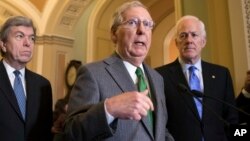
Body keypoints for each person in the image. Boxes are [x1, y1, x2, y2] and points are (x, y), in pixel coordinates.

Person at [64, 1, 174, 141]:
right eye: (133, 22)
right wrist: (109, 109)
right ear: (114, 34)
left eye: (147, 24)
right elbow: (71, 133)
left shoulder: (157, 78)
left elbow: (159, 131)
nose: (141, 30)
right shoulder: (92, 73)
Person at [156, 15, 238, 141]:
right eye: (183, 35)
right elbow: (159, 121)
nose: (189, 40)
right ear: (177, 42)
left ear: (203, 42)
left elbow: (231, 118)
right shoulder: (160, 76)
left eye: (194, 35)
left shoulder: (222, 74)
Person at [0, 16, 53, 141]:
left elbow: (46, 132)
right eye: (19, 36)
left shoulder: (43, 85)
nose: (27, 43)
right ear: (3, 44)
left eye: (32, 38)